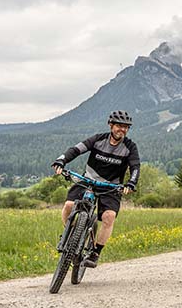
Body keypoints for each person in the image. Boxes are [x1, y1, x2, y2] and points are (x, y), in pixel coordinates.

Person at [51, 110, 141, 268]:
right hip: (88, 181)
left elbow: (135, 167)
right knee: (69, 206)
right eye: (119, 126)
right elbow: (76, 150)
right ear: (111, 125)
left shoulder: (130, 147)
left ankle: (95, 253)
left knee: (109, 216)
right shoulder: (98, 139)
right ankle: (69, 235)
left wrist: (131, 183)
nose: (123, 130)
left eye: (126, 127)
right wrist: (61, 160)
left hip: (111, 186)